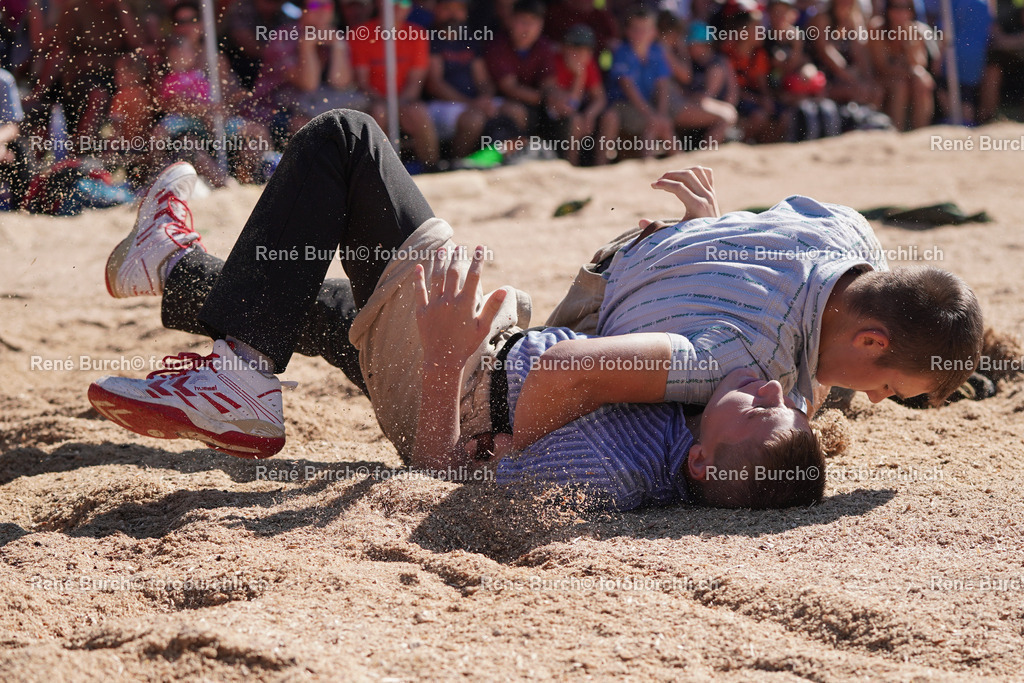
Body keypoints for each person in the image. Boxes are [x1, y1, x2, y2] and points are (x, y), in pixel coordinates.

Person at [88, 112, 823, 511]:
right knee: (318, 305)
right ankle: (172, 264)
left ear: (700, 462)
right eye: (780, 402)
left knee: (346, 143)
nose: (768, 390)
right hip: (485, 351)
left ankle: (238, 375)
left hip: (453, 377)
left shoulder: (618, 467)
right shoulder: (705, 415)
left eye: (762, 410)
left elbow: (450, 487)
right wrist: (701, 233)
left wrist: (442, 359)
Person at [349, 0, 440, 167]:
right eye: (392, 2)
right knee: (379, 113)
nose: (398, 7)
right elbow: (361, 83)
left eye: (404, 2)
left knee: (418, 112)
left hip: (403, 100)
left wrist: (397, 105)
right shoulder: (360, 34)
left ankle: (432, 167)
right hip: (371, 101)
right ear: (380, 4)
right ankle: (380, 170)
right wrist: (388, 104)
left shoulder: (417, 34)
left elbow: (415, 82)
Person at [541, 24, 619, 165]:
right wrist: (579, 76)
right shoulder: (553, 62)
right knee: (576, 121)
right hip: (553, 120)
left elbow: (600, 98)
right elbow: (570, 105)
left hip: (579, 112)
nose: (581, 54)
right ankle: (572, 167)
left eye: (586, 50)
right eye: (575, 48)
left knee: (610, 117)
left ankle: (602, 168)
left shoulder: (588, 63)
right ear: (564, 47)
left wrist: (590, 114)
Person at [606, 8, 676, 157]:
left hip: (646, 105)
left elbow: (663, 85)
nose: (640, 34)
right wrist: (652, 115)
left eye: (645, 29)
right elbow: (628, 87)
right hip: (624, 105)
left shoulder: (657, 51)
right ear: (627, 31)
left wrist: (661, 113)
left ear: (654, 32)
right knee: (652, 124)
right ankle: (647, 165)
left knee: (663, 124)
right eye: (636, 29)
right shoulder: (622, 53)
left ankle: (682, 164)